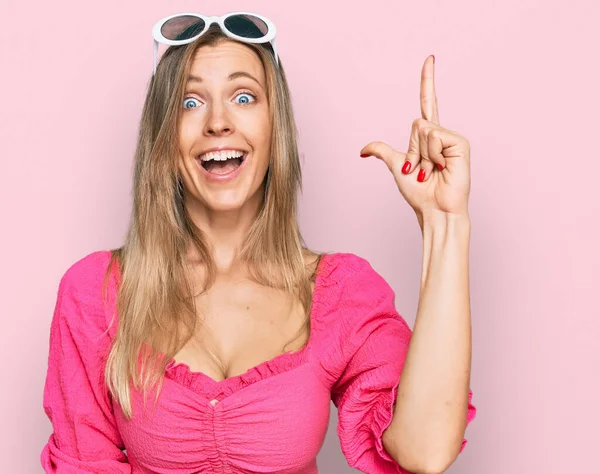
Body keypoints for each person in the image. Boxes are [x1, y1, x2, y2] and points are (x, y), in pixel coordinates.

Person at [40, 11, 476, 474]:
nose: (218, 122)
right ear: (163, 138)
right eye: (190, 102)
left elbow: (424, 450)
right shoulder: (95, 293)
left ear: (274, 128)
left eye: (244, 96)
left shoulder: (339, 291)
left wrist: (444, 223)